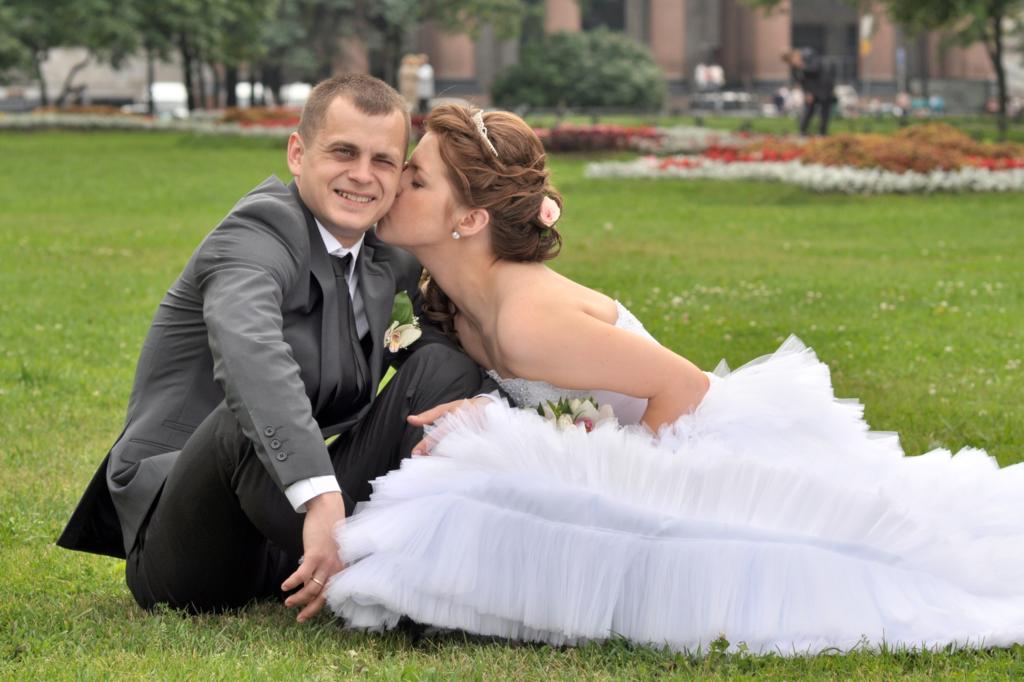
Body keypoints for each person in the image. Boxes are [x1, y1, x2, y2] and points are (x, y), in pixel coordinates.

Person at [323, 104, 1024, 654]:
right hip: (617, 438)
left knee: (848, 560)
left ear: (471, 219)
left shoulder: (526, 321)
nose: (392, 184)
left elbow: (684, 387)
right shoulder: (452, 298)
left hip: (688, 445)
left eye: (416, 178)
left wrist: (629, 506)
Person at [56, 76, 492, 621]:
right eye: (343, 152)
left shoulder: (388, 257)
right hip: (191, 541)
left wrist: (486, 403)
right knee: (240, 418)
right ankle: (374, 562)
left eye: (383, 160)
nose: (362, 175)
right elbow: (251, 349)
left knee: (443, 363)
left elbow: (453, 349)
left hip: (290, 525)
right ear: (297, 153)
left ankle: (418, 565)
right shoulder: (257, 232)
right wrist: (321, 496)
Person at [783, 48, 836, 136]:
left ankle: (822, 132)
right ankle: (802, 131)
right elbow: (801, 81)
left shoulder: (809, 55)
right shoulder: (794, 68)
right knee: (808, 109)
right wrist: (807, 93)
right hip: (811, 90)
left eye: (792, 60)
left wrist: (802, 66)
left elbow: (816, 69)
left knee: (824, 110)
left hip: (823, 87)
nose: (793, 63)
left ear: (795, 55)